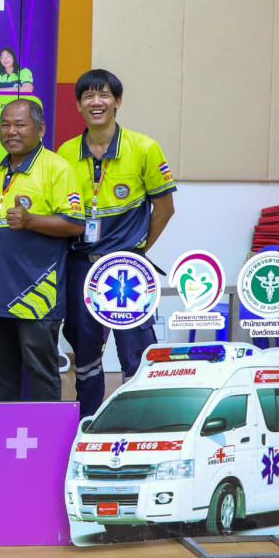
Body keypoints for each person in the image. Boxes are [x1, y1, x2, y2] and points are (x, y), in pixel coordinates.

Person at [59, 69, 177, 417]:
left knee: (136, 352)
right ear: (78, 105)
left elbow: (165, 208)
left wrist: (137, 252)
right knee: (84, 351)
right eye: (88, 96)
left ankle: (143, 424)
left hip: (127, 270)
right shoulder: (65, 153)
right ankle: (89, 423)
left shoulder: (144, 148)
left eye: (104, 95)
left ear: (118, 102)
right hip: (81, 265)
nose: (96, 102)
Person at [0, 99, 83, 402]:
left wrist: (31, 221)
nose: (11, 131)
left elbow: (76, 224)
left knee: (41, 370)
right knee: (0, 372)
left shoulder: (57, 168)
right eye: (5, 125)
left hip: (36, 291)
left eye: (20, 125)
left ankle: (46, 431)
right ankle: (3, 430)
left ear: (41, 129)